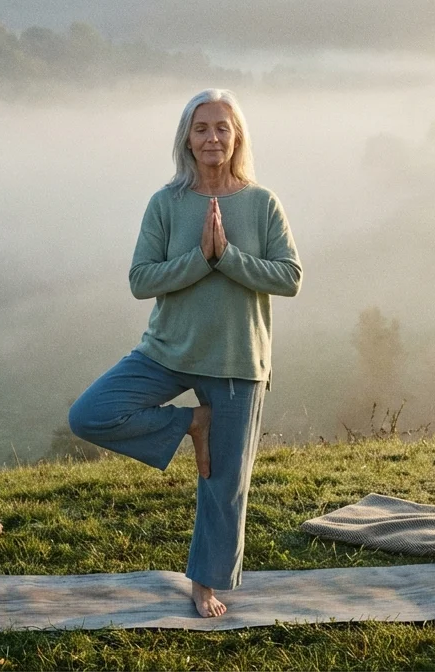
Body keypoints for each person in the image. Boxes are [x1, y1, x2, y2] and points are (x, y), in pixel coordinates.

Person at [67, 88, 302, 618]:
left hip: (237, 359)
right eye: (201, 128)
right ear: (187, 140)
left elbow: (290, 277)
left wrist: (228, 257)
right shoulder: (166, 203)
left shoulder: (262, 203)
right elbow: (141, 280)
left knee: (224, 485)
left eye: (222, 127)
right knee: (90, 414)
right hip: (167, 351)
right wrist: (201, 259)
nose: (212, 137)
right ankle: (193, 423)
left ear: (236, 137)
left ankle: (206, 583)